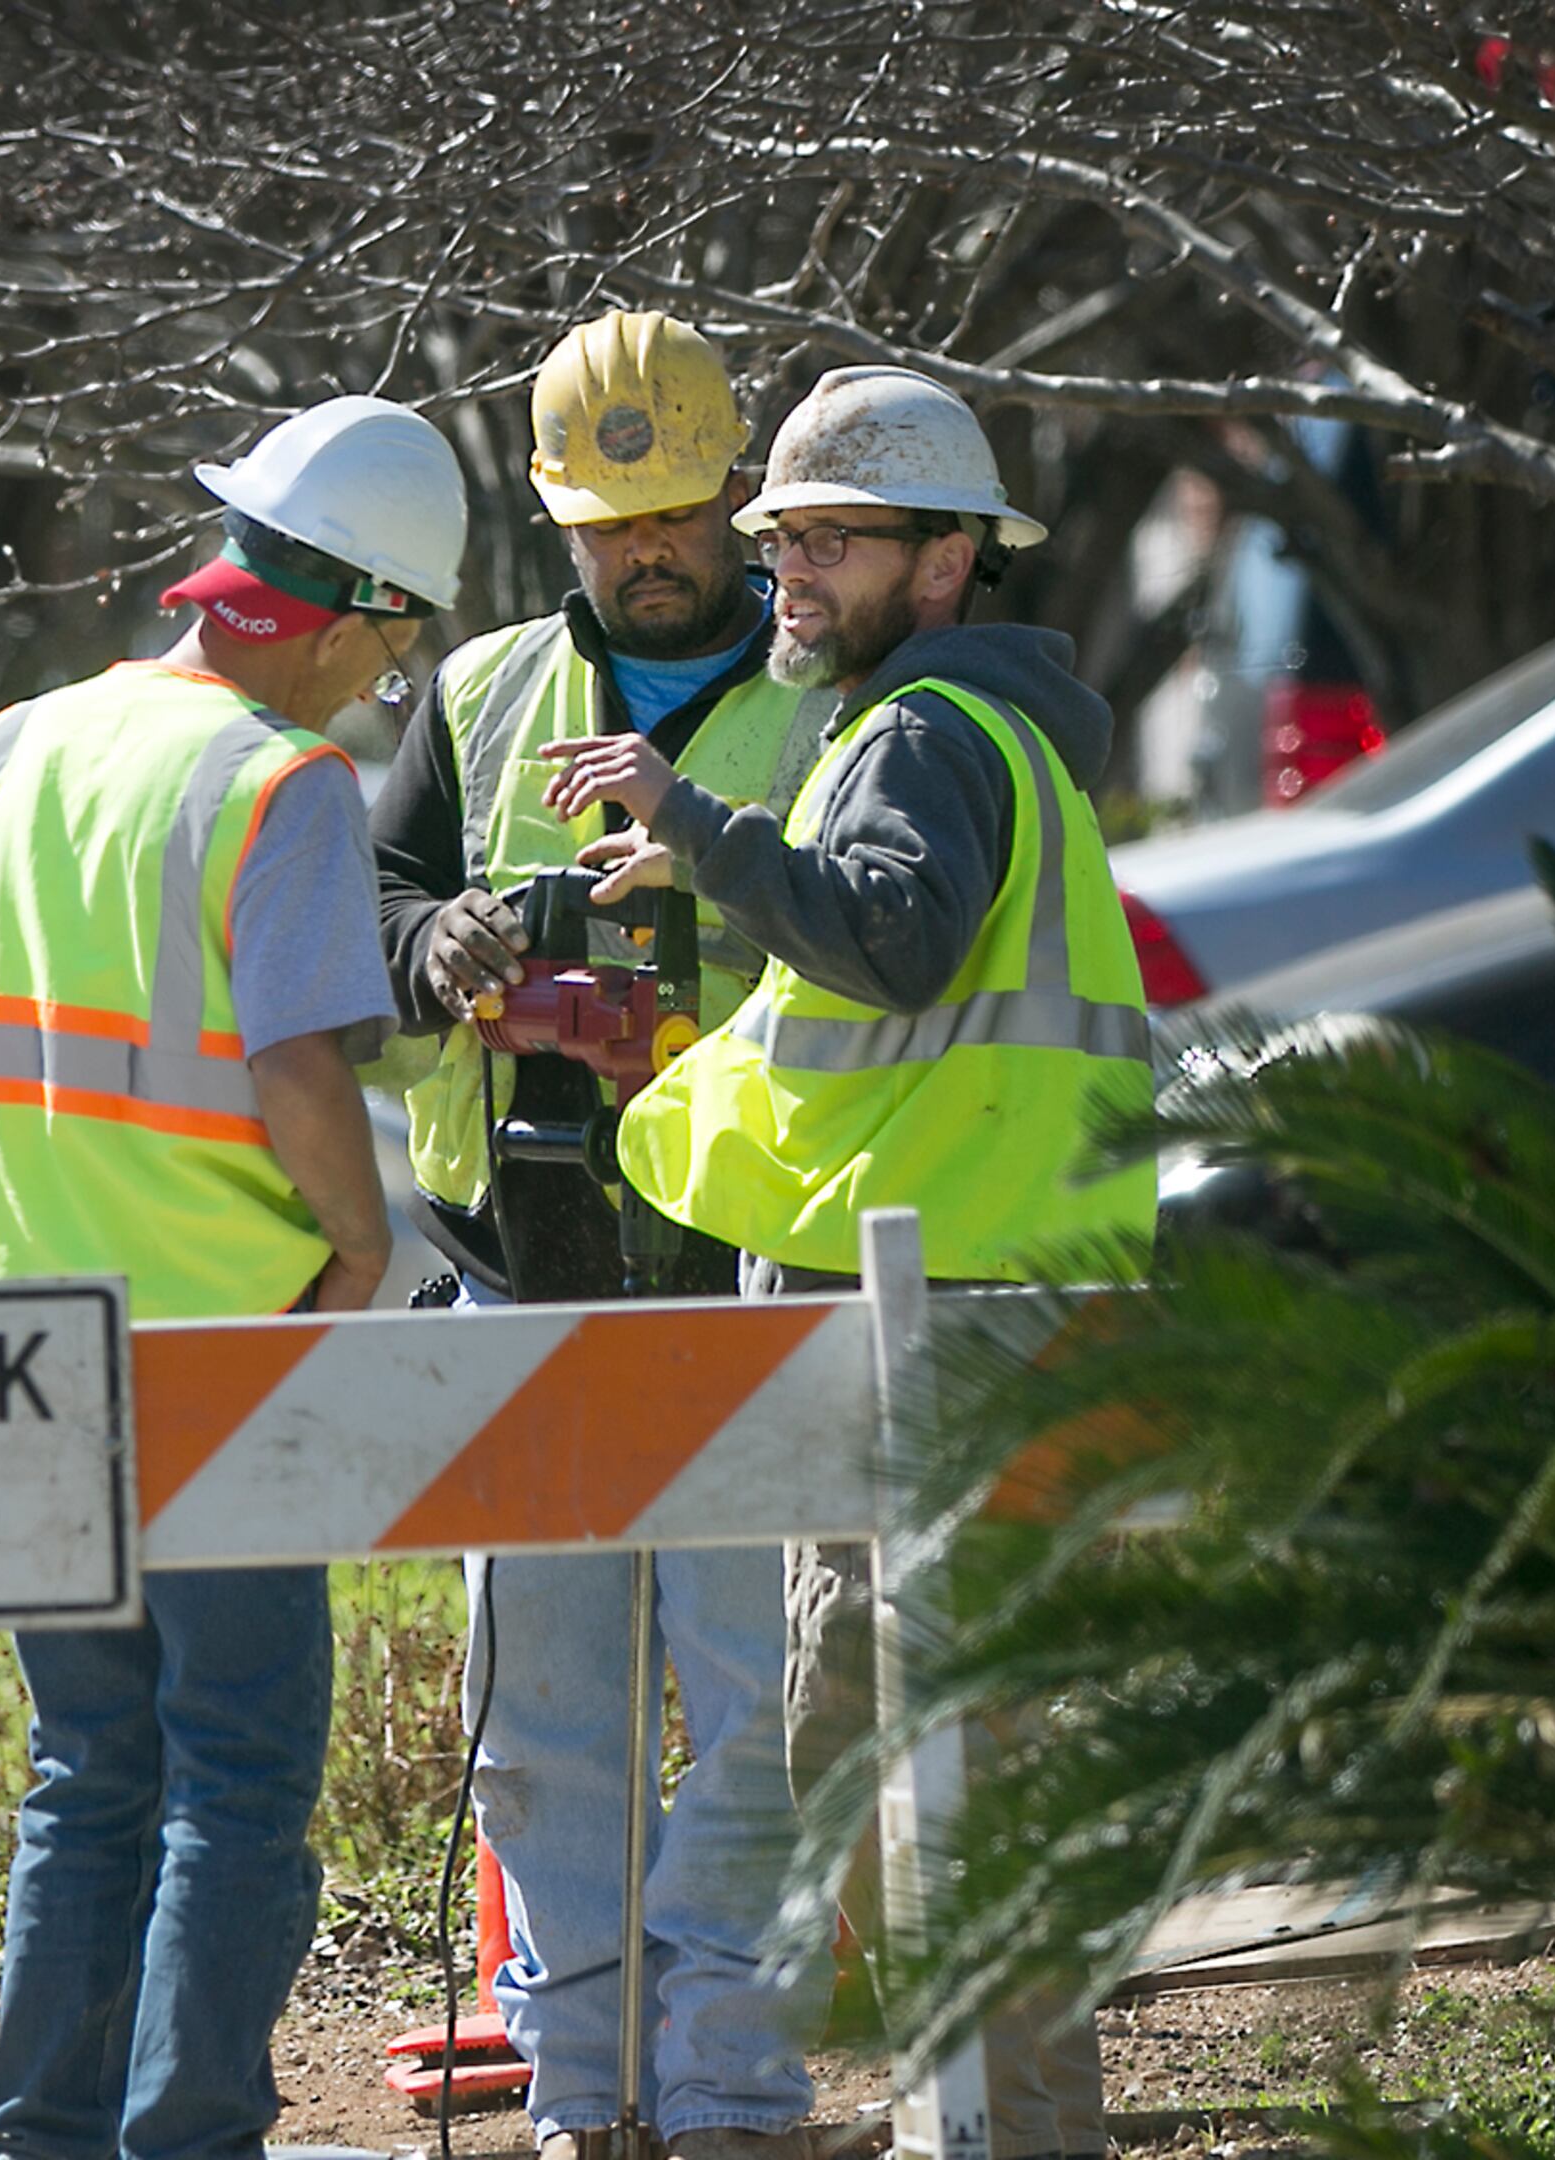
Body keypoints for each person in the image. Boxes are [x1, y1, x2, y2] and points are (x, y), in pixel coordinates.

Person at [549, 364, 1157, 2160]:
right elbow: (897, 1017)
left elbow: (889, 944)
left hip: (946, 1311)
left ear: (951, 559)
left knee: (909, 1753)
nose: (794, 569)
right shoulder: (974, 730)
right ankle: (995, 2115)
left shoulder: (923, 733)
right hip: (972, 1287)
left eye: (836, 540)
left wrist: (696, 824)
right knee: (941, 1750)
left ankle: (997, 2125)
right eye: (785, 537)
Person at [0, 392, 466, 2160]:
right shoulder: (282, 785)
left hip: (23, 1336)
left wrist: (46, 1179)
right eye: (403, 636)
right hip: (221, 1340)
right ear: (356, 612)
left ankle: (41, 2136)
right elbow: (297, 1067)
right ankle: (191, 2137)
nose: (396, 672)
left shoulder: (24, 740)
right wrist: (361, 1244)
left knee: (89, 1768)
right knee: (236, 1770)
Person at [368, 311, 841, 2160]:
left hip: (736, 1280)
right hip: (525, 1278)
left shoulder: (827, 704)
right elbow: (389, 890)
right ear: (559, 524)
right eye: (605, 523)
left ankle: (728, 2089)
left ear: (736, 499)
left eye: (676, 515)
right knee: (546, 1728)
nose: (645, 552)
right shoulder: (483, 690)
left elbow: (884, 933)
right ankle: (583, 2094)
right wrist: (445, 945)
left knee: (754, 1722)